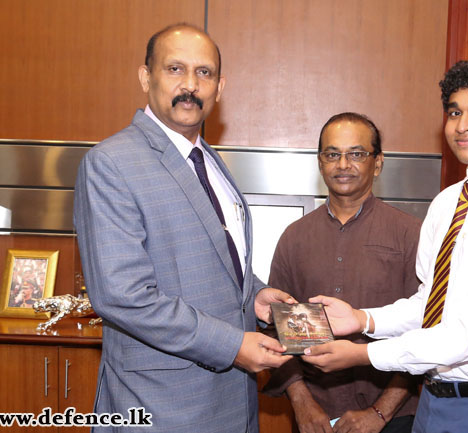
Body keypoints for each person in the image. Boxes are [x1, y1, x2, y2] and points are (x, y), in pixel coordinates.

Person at [302, 57, 468, 433]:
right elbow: (431, 305)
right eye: (454, 111)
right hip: (433, 403)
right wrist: (363, 319)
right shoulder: (447, 202)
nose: (463, 125)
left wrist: (364, 354)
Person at [74, 23, 293, 433]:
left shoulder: (208, 159)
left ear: (220, 86)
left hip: (232, 401)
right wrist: (232, 345)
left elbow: (213, 259)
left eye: (204, 73)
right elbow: (123, 297)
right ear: (146, 77)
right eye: (175, 69)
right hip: (162, 407)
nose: (190, 85)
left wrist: (256, 292)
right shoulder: (111, 163)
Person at [263, 113, 421, 433]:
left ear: (377, 164)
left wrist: (379, 413)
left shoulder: (410, 234)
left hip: (395, 416)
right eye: (332, 154)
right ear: (320, 163)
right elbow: (281, 330)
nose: (343, 164)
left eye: (356, 154)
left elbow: (425, 332)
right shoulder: (296, 238)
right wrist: (303, 403)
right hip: (316, 417)